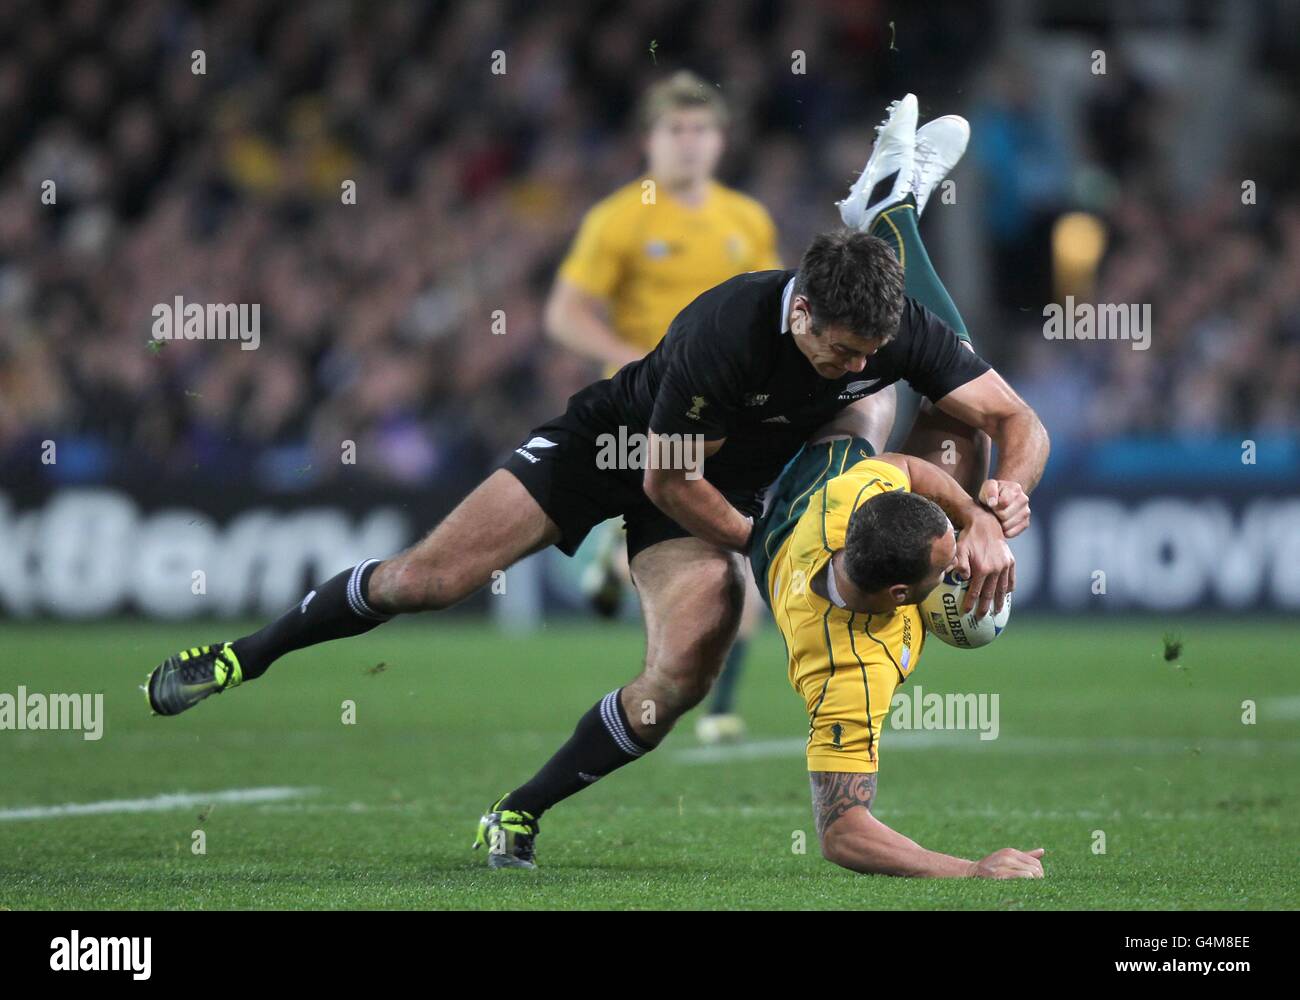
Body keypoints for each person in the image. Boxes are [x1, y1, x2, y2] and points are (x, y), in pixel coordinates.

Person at [142, 96, 1048, 874]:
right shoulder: (726, 334)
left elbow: (1019, 424)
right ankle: (242, 656)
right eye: (843, 351)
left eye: (869, 354)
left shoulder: (890, 331)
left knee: (682, 673)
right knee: (428, 581)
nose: (859, 364)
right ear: (801, 310)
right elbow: (665, 479)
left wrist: (997, 510)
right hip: (625, 451)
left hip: (733, 479)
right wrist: (766, 544)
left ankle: (518, 810)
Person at [545, 70, 779, 743]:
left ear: (721, 140)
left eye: (702, 129)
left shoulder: (745, 219)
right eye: (675, 130)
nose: (689, 143)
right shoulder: (619, 217)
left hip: (732, 409)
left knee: (732, 542)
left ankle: (616, 564)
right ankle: (721, 708)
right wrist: (623, 354)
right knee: (725, 539)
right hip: (650, 407)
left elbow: (770, 307)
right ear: (649, 139)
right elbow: (565, 314)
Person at [748, 411, 1043, 879]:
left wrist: (975, 518)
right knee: (901, 417)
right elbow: (843, 832)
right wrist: (968, 870)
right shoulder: (847, 675)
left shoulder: (849, 500)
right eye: (949, 569)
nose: (960, 567)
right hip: (781, 552)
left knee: (958, 408)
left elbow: (903, 467)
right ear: (901, 598)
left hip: (803, 508)